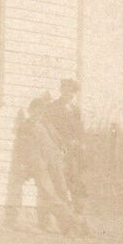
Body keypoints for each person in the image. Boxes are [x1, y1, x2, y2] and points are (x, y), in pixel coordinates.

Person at [6, 95, 84, 235]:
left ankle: (67, 224)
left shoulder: (44, 126)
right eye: (36, 111)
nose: (39, 114)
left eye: (41, 111)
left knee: (57, 191)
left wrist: (62, 152)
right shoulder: (25, 127)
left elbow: (57, 141)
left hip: (49, 163)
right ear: (30, 110)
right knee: (46, 191)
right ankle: (71, 221)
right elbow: (22, 148)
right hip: (33, 164)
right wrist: (24, 165)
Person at [46, 78, 86, 216]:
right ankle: (59, 215)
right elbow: (50, 128)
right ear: (61, 90)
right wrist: (62, 142)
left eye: (71, 91)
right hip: (59, 149)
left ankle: (77, 213)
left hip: (73, 152)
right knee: (59, 181)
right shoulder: (53, 107)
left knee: (76, 180)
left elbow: (80, 130)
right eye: (65, 89)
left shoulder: (75, 109)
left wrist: (80, 143)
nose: (68, 93)